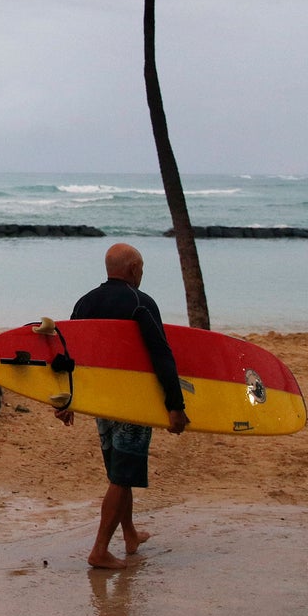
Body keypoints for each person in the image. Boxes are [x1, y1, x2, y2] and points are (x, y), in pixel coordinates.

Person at [54, 242, 189, 570]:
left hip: (101, 403)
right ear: (132, 270)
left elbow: (68, 354)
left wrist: (66, 400)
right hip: (132, 404)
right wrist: (175, 404)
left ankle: (129, 534)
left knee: (120, 473)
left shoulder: (85, 302)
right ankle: (99, 550)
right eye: (141, 268)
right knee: (122, 477)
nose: (141, 274)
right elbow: (161, 355)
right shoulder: (140, 303)